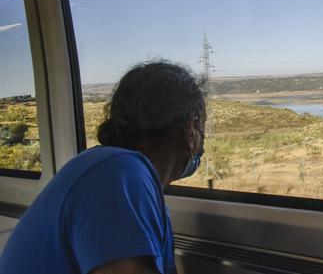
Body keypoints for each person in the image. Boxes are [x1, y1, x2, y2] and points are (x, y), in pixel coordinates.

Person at [0, 61, 206, 274]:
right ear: (191, 128)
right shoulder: (117, 173)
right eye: (202, 126)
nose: (202, 140)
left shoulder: (115, 171)